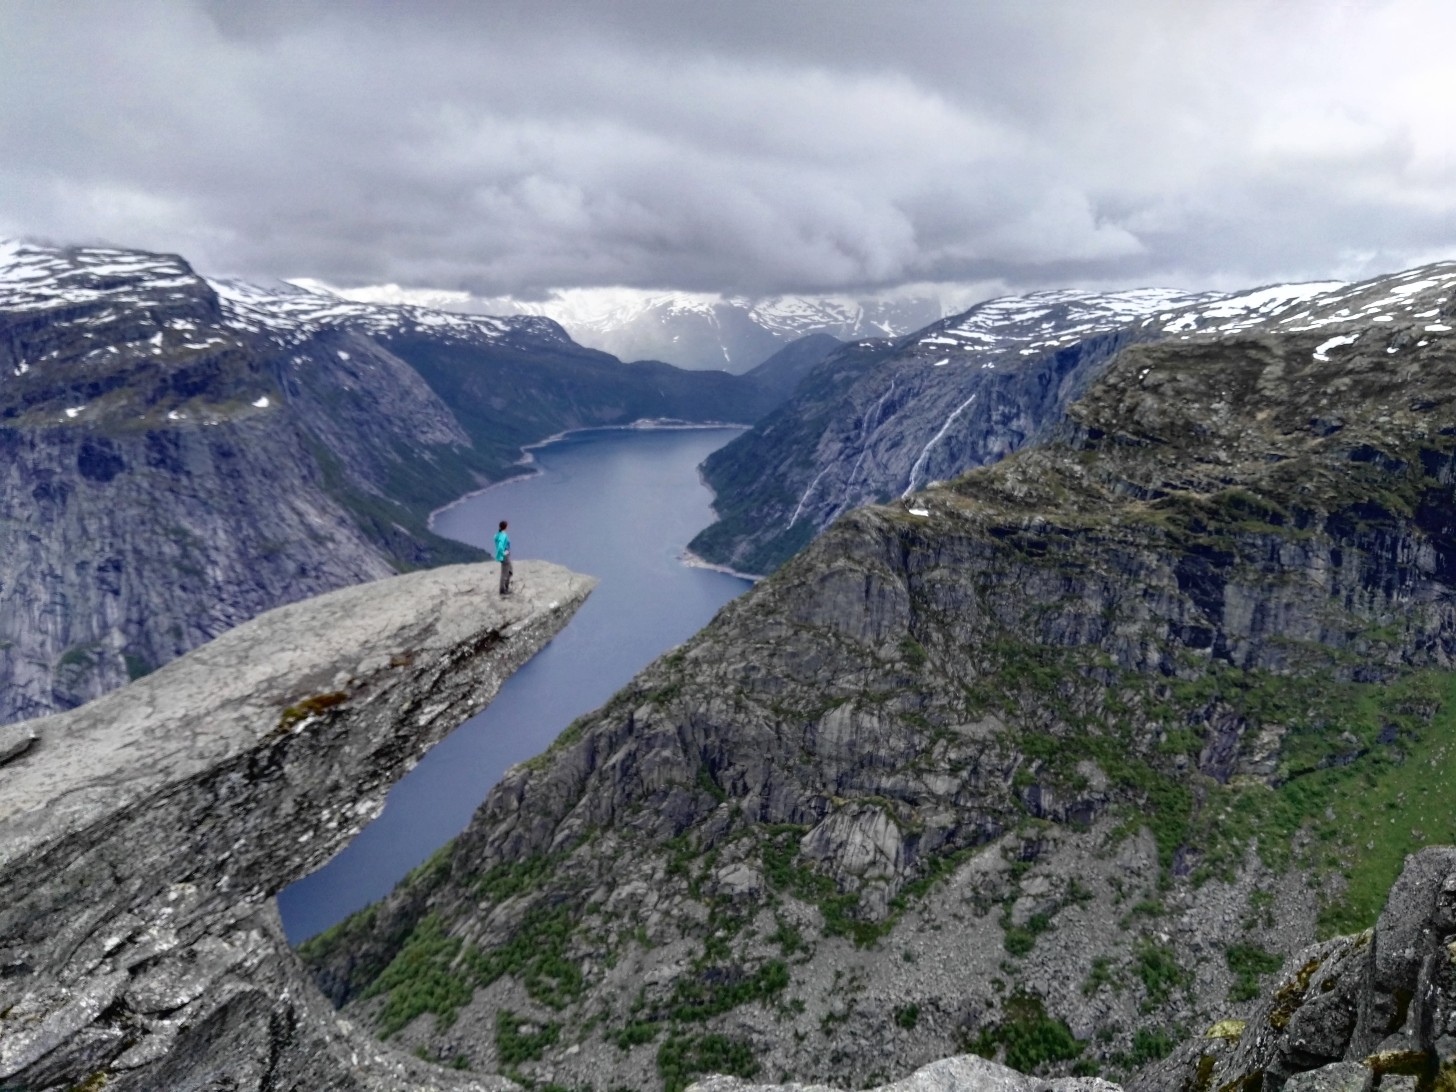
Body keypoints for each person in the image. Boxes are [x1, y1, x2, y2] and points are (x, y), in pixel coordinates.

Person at [494, 519, 512, 595]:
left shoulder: (498, 534)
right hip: (505, 556)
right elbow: (500, 546)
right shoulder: (503, 535)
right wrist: (504, 552)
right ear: (506, 527)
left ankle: (506, 587)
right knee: (505, 573)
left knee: (510, 571)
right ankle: (503, 590)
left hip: (503, 556)